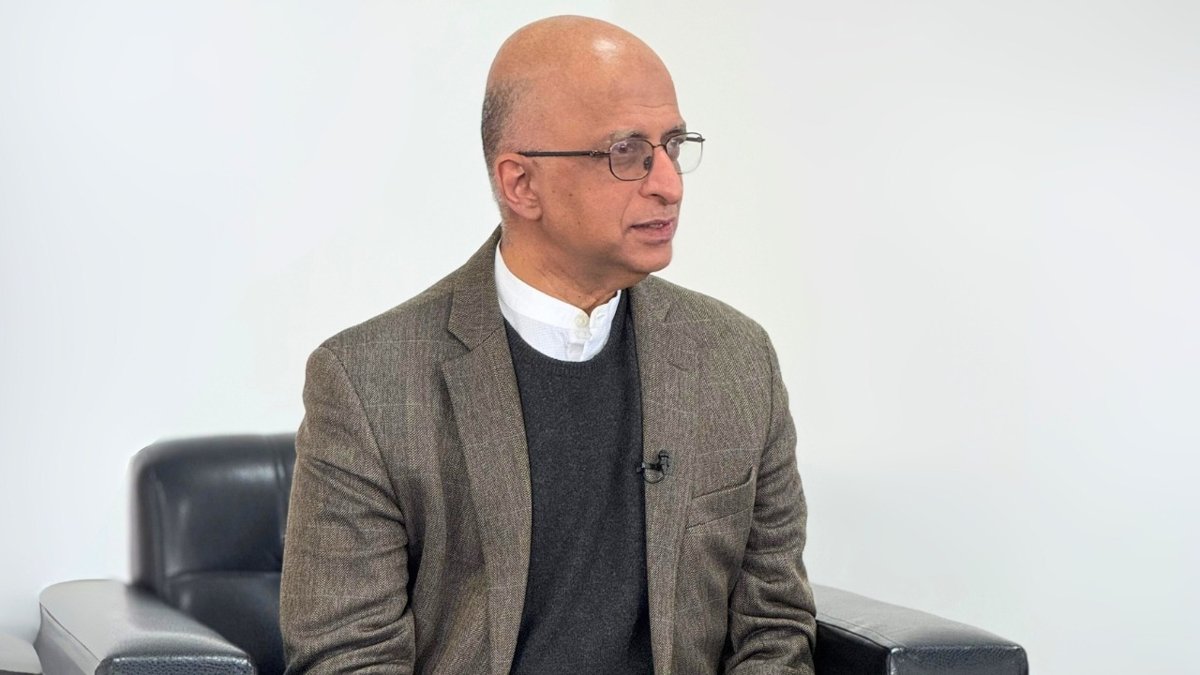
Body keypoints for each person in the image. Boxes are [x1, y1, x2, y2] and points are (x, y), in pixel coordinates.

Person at [280, 15, 816, 674]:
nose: (669, 184)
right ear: (521, 184)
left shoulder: (736, 359)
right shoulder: (368, 382)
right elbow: (346, 657)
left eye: (673, 145)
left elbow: (774, 626)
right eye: (627, 151)